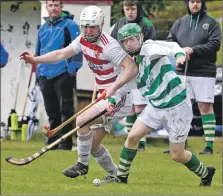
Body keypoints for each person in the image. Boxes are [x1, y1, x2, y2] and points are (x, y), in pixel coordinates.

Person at [20, 6, 138, 180]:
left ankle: (82, 164)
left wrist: (112, 90)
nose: (88, 31)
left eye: (92, 27)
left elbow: (132, 68)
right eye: (85, 27)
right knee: (93, 144)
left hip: (119, 96)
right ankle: (117, 175)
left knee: (81, 120)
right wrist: (35, 60)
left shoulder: (109, 46)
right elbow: (61, 53)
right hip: (104, 96)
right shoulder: (82, 40)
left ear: (101, 25)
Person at [103, 23, 216, 187]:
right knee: (132, 137)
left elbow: (172, 46)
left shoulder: (149, 48)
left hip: (176, 106)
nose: (129, 43)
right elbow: (123, 87)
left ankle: (206, 173)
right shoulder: (130, 64)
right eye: (125, 41)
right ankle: (121, 177)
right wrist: (112, 102)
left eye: (132, 39)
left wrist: (179, 55)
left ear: (140, 37)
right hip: (155, 106)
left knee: (177, 155)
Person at [166, 0, 221, 155]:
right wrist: (180, 50)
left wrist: (193, 50)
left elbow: (215, 44)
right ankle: (180, 143)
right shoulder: (179, 23)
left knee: (205, 107)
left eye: (198, 1)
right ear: (187, 3)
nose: (195, 4)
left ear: (202, 3)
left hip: (204, 71)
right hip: (182, 71)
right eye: (192, 1)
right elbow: (170, 42)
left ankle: (209, 145)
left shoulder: (212, 23)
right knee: (181, 107)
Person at [34, 0, 83, 150]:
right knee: (51, 111)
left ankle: (66, 142)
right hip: (45, 75)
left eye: (56, 5)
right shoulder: (42, 28)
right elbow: (38, 52)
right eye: (50, 5)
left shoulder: (71, 25)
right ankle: (53, 142)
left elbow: (78, 49)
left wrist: (72, 69)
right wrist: (38, 72)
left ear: (62, 7)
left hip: (63, 73)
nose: (53, 8)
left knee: (66, 110)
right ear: (46, 7)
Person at [111, 0, 156, 151]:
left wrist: (138, 58)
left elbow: (151, 46)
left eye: (133, 8)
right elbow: (113, 46)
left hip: (141, 71)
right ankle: (131, 142)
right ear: (123, 9)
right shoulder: (119, 24)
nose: (130, 12)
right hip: (125, 70)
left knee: (140, 107)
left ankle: (141, 142)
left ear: (138, 9)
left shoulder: (147, 25)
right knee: (130, 107)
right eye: (127, 8)